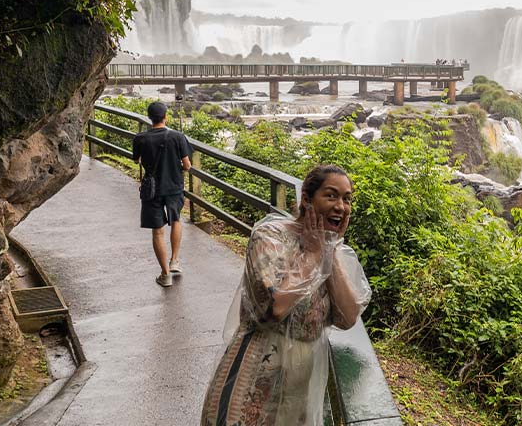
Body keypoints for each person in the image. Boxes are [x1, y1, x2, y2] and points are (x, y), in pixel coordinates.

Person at [201, 164, 371, 426]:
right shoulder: (270, 237)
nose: (341, 206)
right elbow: (274, 307)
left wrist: (329, 250)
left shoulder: (335, 252)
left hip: (300, 385)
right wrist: (313, 255)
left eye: (346, 199)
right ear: (306, 199)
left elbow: (347, 317)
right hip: (253, 374)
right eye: (331, 195)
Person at [132, 101, 194, 287]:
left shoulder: (140, 138)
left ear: (150, 118)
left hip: (152, 190)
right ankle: (174, 260)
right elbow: (187, 165)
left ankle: (165, 275)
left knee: (157, 231)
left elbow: (137, 160)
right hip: (174, 186)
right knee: (176, 220)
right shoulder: (177, 137)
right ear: (165, 116)